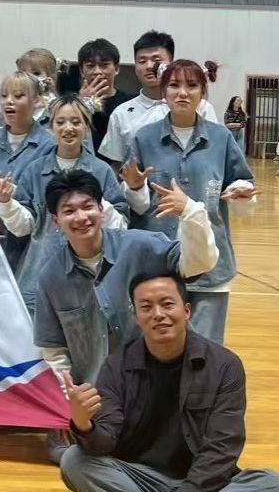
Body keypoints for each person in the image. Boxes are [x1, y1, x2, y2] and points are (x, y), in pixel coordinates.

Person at [59, 272, 279, 492]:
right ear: (135, 315)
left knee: (272, 486)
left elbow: (223, 447)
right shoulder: (117, 366)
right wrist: (83, 423)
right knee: (74, 459)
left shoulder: (224, 365)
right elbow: (105, 443)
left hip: (205, 485)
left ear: (186, 310)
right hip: (140, 481)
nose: (158, 314)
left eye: (167, 304)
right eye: (146, 307)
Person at [33, 169, 218, 388]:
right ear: (56, 221)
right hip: (100, 395)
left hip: (163, 386)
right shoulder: (51, 277)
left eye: (87, 206)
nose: (81, 217)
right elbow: (54, 349)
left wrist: (190, 211)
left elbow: (198, 263)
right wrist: (70, 394)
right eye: (69, 211)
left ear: (101, 209)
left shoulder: (142, 246)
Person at [121, 60, 256, 345]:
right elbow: (139, 207)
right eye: (174, 85)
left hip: (211, 264)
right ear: (163, 92)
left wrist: (241, 191)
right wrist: (134, 187)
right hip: (157, 262)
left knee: (205, 349)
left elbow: (240, 181)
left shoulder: (221, 138)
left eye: (192, 85)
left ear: (202, 93)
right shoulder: (144, 139)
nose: (183, 92)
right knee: (157, 347)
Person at [0, 96, 129, 311]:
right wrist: (7, 203)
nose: (68, 128)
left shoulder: (101, 171)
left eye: (76, 122)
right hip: (39, 274)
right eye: (60, 122)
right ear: (51, 127)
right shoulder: (35, 170)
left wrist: (96, 203)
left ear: (86, 126)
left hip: (92, 278)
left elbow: (120, 227)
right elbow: (24, 228)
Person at [99, 31, 220, 166]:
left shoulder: (202, 107)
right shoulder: (122, 113)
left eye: (157, 61)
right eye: (142, 61)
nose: (149, 66)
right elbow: (116, 164)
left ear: (171, 63)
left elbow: (214, 154)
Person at [77, 38, 134, 152]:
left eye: (104, 65)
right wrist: (81, 104)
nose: (97, 71)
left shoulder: (129, 103)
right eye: (90, 66)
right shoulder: (71, 105)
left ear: (116, 68)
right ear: (82, 71)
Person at [16, 48, 60, 124]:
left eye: (36, 73)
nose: (29, 77)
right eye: (23, 73)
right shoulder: (15, 101)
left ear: (50, 77)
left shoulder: (53, 105)